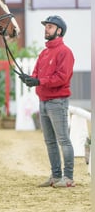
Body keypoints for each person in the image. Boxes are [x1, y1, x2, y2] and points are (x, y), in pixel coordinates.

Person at [19, 15, 75, 188]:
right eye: (46, 26)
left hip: (57, 101)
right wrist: (30, 79)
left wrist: (40, 82)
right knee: (50, 141)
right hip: (43, 101)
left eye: (50, 27)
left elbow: (62, 77)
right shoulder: (44, 53)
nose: (46, 29)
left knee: (63, 140)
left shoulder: (65, 52)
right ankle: (56, 176)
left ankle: (68, 177)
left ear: (59, 31)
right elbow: (37, 73)